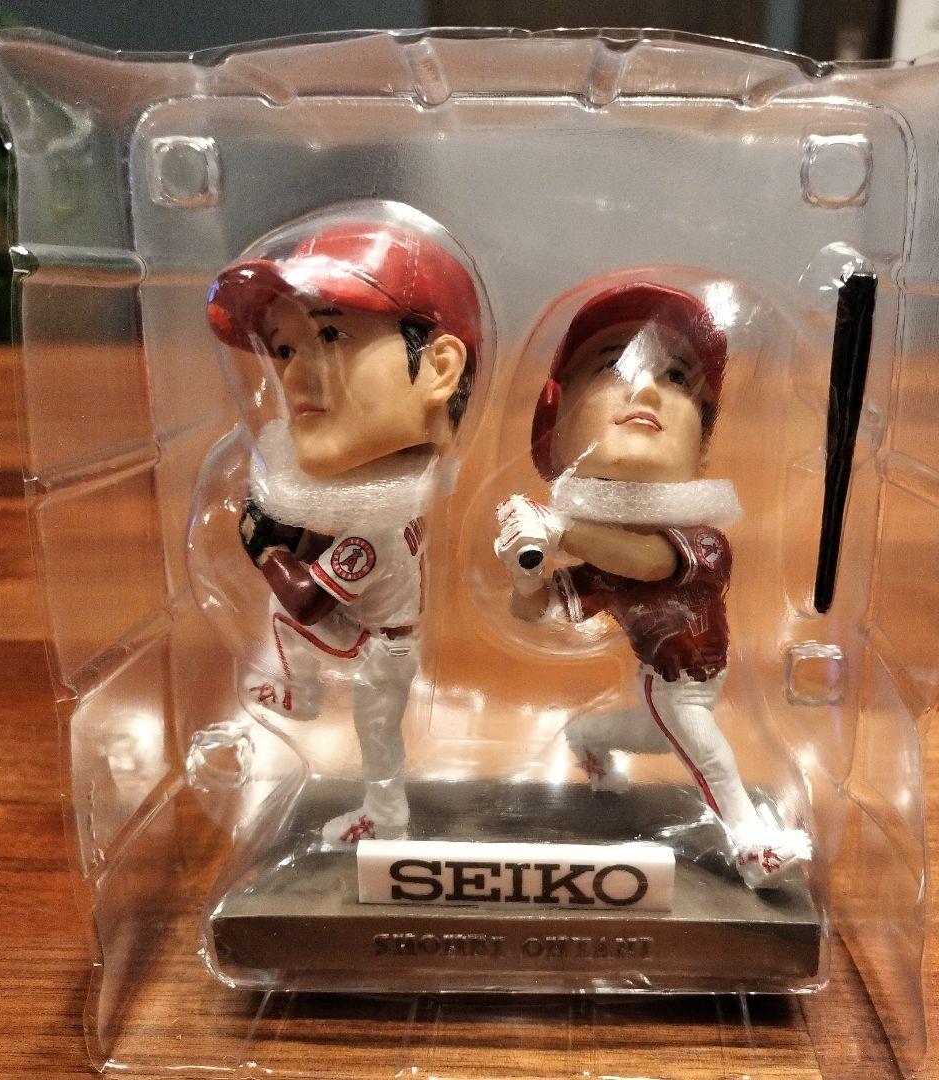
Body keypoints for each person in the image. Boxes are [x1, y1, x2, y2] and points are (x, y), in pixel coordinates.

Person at [494, 278, 810, 889]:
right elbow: (534, 609)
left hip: (696, 679)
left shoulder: (700, 538)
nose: (645, 388)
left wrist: (559, 529)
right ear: (556, 422)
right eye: (613, 367)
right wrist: (524, 566)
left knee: (653, 736)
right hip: (672, 683)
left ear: (704, 445)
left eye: (677, 378)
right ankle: (753, 846)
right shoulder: (594, 550)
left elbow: (648, 563)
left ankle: (584, 739)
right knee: (709, 754)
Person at [207, 212, 482, 844]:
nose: (294, 376)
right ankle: (306, 704)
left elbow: (308, 601)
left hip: (382, 644)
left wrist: (266, 549)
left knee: (370, 723)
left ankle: (380, 810)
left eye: (331, 336)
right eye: (284, 349)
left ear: (439, 369)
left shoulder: (376, 520)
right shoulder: (364, 497)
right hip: (368, 622)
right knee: (301, 643)